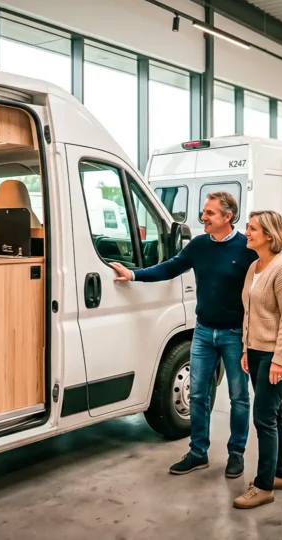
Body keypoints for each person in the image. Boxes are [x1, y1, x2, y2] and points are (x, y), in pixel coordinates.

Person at [109, 191, 257, 478]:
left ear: (228, 217)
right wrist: (134, 275)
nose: (203, 216)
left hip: (234, 334)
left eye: (210, 213)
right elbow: (170, 267)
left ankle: (236, 453)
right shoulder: (199, 245)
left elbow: (268, 274)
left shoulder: (246, 248)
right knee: (199, 394)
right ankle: (198, 452)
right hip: (203, 332)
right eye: (204, 211)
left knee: (239, 397)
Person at [233, 210, 282, 510]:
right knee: (275, 413)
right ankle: (281, 474)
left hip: (277, 354)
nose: (246, 232)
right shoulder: (254, 267)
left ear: (270, 236)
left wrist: (279, 360)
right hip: (257, 351)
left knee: (263, 418)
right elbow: (250, 312)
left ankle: (263, 486)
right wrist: (247, 349)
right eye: (248, 227)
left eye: (252, 229)